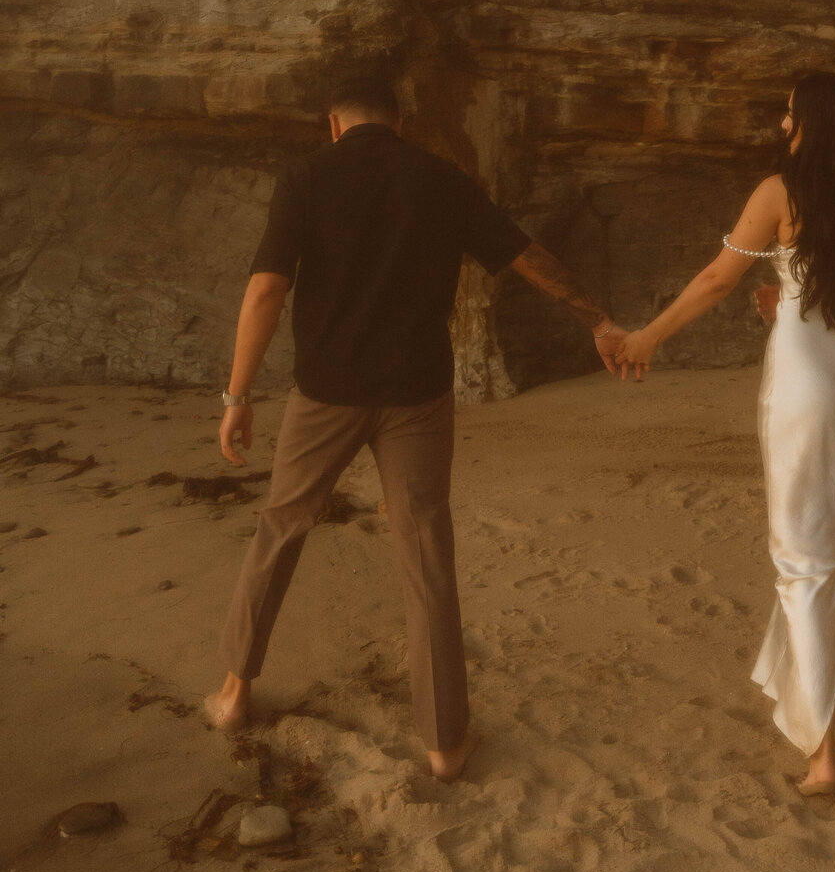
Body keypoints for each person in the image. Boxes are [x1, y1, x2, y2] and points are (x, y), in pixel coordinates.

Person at [205, 75, 626, 782]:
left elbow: (266, 290)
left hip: (327, 395)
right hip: (418, 398)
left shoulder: (307, 177)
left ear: (333, 123)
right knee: (427, 551)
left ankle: (235, 692)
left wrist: (237, 394)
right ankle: (443, 741)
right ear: (400, 121)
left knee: (281, 528)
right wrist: (598, 320)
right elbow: (527, 257)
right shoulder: (440, 179)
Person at [615, 71, 835, 796]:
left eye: (789, 117)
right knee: (828, 541)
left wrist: (648, 337)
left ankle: (823, 750)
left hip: (810, 383)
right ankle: (805, 685)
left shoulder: (779, 194)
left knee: (804, 555)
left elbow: (717, 280)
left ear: (812, 125)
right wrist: (794, 286)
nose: (783, 128)